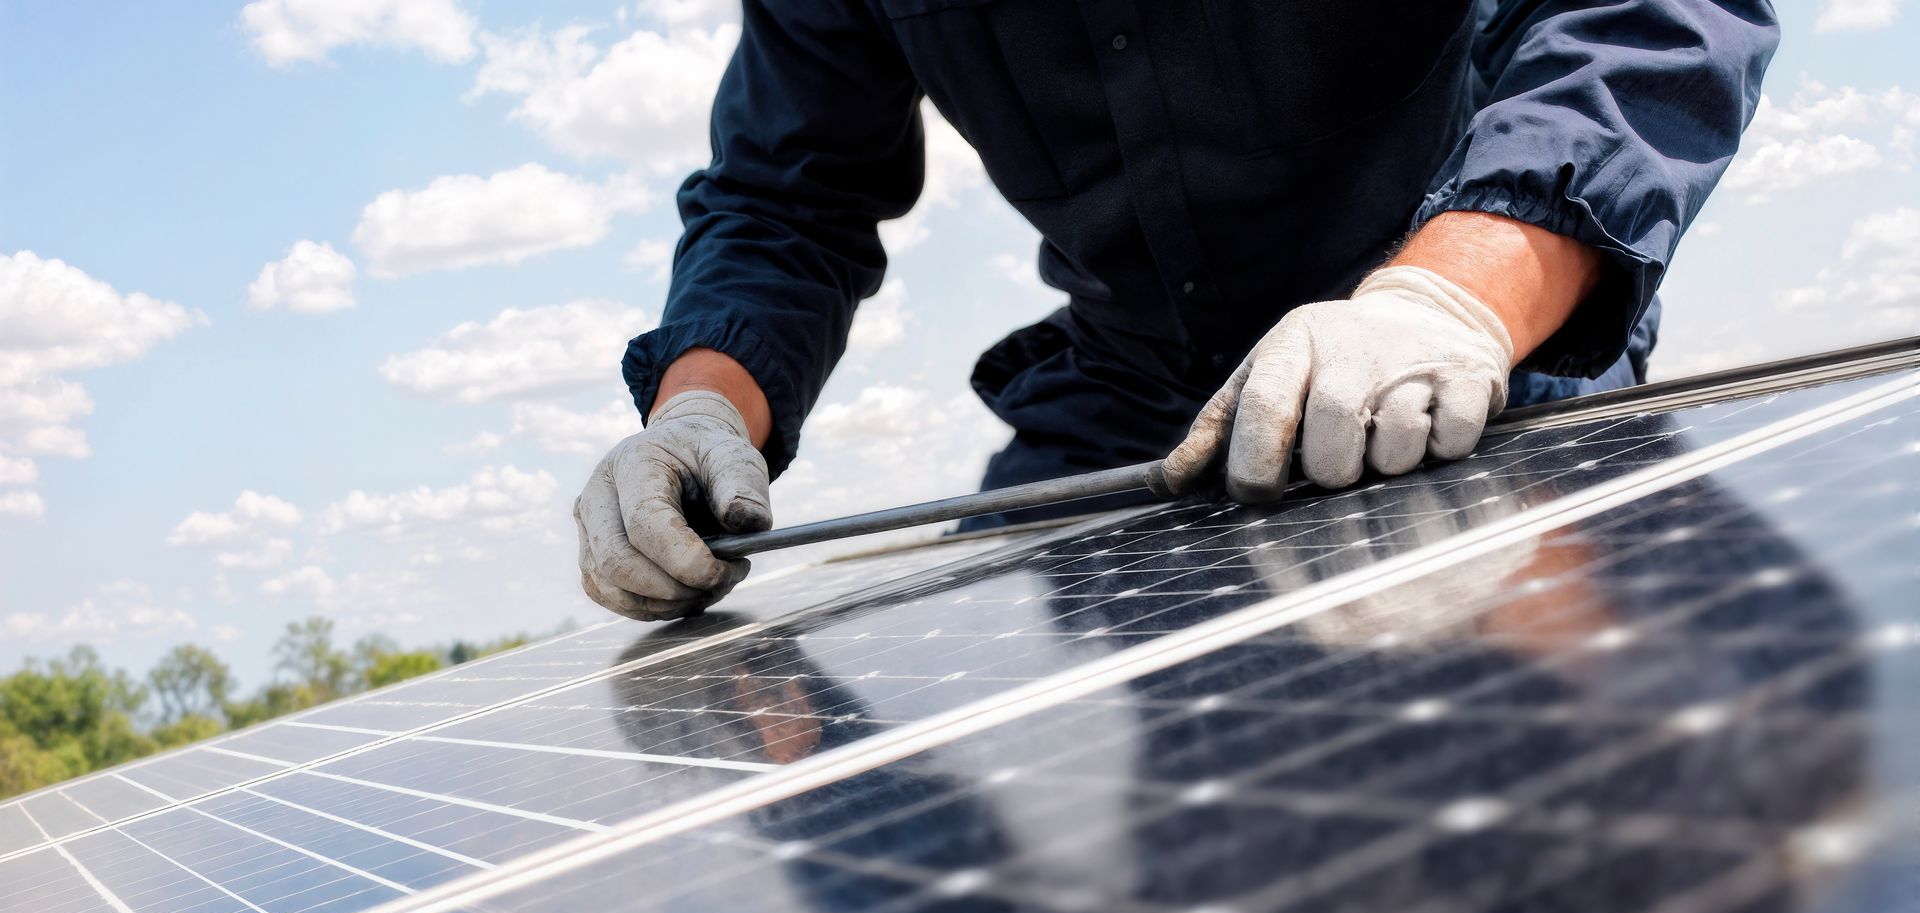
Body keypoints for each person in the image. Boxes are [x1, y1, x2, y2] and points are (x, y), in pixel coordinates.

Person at [573, 0, 1778, 622]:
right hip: (1131, 406)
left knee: (1530, 804)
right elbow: (789, 197)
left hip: (1452, 356)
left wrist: (1444, 296)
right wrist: (697, 418)